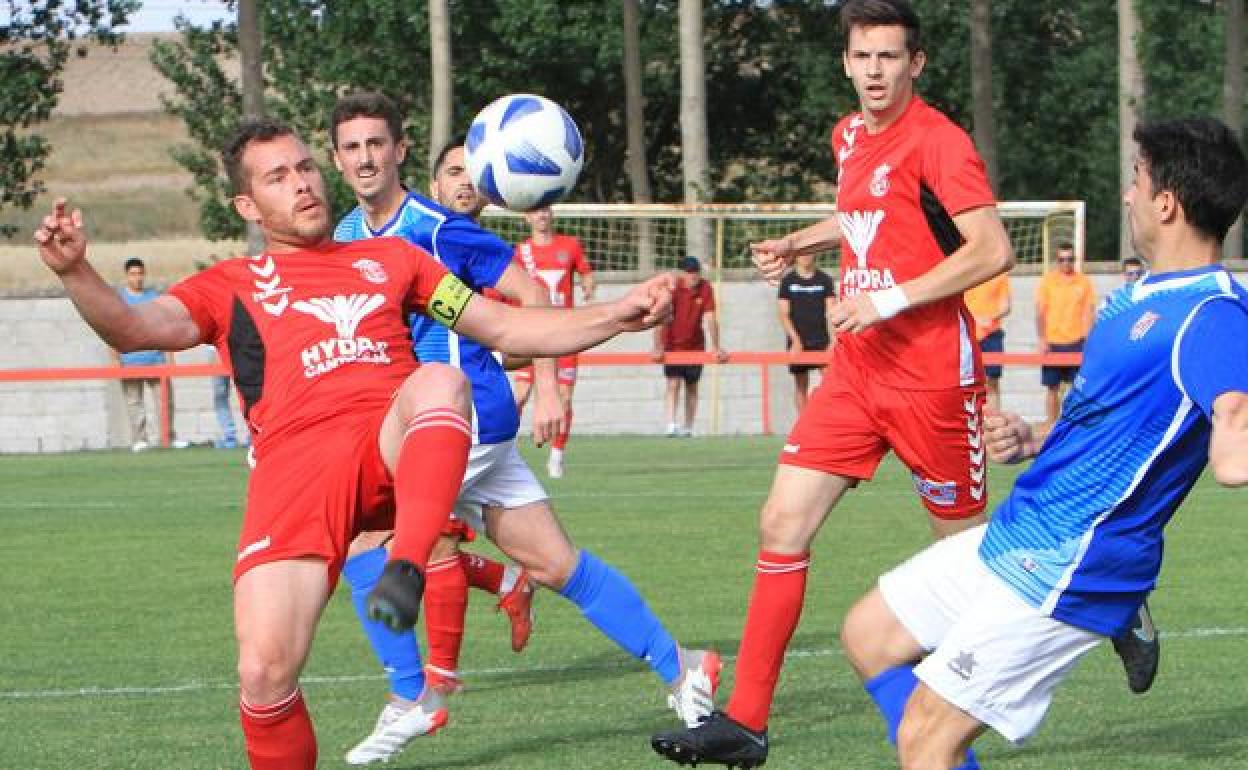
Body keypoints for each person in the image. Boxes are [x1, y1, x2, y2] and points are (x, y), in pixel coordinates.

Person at [34, 117, 677, 770]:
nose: (303, 183)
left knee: (440, 382)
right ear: (248, 206)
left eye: (305, 166)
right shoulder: (229, 284)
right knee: (263, 672)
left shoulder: (394, 260)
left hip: (386, 442)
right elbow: (135, 327)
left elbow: (506, 326)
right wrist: (77, 270)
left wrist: (616, 316)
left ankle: (408, 565)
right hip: (294, 477)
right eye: (278, 177)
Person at [651, 1, 1013, 766]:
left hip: (930, 383)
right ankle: (747, 722)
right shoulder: (848, 136)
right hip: (856, 376)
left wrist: (884, 299)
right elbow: (867, 215)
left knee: (976, 570)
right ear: (846, 62)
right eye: (863, 57)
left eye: (890, 57)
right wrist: (800, 238)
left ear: (916, 64)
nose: (875, 72)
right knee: (781, 524)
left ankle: (1109, 605)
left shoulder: (942, 143)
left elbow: (991, 249)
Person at [832, 116, 1248, 770]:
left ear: (1167, 202)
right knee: (869, 636)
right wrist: (1034, 436)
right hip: (1024, 531)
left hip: (1073, 562)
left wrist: (1233, 438)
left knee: (925, 735)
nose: (1128, 195)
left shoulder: (1213, 315)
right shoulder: (1135, 299)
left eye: (1136, 180)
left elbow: (1233, 440)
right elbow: (1108, 423)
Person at [329, 93, 721, 765]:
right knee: (555, 564)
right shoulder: (342, 237)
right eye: (352, 147)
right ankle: (686, 667)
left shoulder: (438, 228)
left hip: (462, 418)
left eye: (376, 144)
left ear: (399, 151)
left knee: (363, 528)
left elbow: (533, 296)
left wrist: (545, 386)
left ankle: (412, 696)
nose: (365, 157)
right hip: (439, 418)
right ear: (339, 160)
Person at [511, 205, 595, 478]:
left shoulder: (570, 245)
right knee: (519, 395)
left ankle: (557, 455)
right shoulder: (520, 252)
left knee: (565, 397)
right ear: (527, 217)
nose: (542, 216)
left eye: (545, 210)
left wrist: (588, 283)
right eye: (535, 212)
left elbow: (585, 271)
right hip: (532, 333)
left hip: (563, 334)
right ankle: (503, 447)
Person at [113, 257, 188, 451]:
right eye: (133, 274)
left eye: (140, 274)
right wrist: (115, 360)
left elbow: (166, 327)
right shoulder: (120, 300)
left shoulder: (154, 297)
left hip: (155, 359)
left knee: (164, 402)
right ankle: (140, 439)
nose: (137, 278)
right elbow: (113, 331)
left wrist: (170, 357)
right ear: (126, 276)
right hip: (130, 360)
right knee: (134, 403)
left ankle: (169, 437)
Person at [652, 256, 728, 437]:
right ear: (682, 273)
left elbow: (711, 319)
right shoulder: (672, 289)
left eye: (696, 272)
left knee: (692, 385)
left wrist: (716, 346)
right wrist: (657, 346)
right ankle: (670, 424)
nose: (693, 276)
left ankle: (688, 427)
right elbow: (659, 319)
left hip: (695, 346)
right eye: (689, 272)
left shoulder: (705, 288)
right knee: (673, 383)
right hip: (672, 345)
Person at [1035, 241, 1095, 426]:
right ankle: (1052, 426)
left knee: (1076, 388)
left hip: (1076, 341)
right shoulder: (1047, 281)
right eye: (1062, 260)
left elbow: (1090, 311)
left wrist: (1088, 340)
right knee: (1052, 388)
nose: (1066, 263)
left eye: (1069, 259)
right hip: (1053, 342)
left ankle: (1072, 426)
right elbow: (1040, 312)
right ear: (1057, 261)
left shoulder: (1084, 282)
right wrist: (1042, 339)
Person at [777, 252, 836, 413]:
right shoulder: (788, 281)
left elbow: (832, 312)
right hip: (798, 342)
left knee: (832, 383)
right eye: (803, 253)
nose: (806, 256)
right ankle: (803, 426)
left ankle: (826, 421)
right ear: (796, 256)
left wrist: (834, 340)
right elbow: (783, 313)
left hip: (821, 341)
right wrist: (795, 340)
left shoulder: (824, 280)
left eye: (810, 253)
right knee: (800, 385)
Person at [962, 271, 1011, 409]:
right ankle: (975, 417)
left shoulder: (1000, 276)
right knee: (970, 381)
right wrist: (975, 318)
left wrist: (989, 317)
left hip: (991, 334)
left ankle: (994, 417)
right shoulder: (968, 273)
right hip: (969, 333)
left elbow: (1006, 306)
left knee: (992, 380)